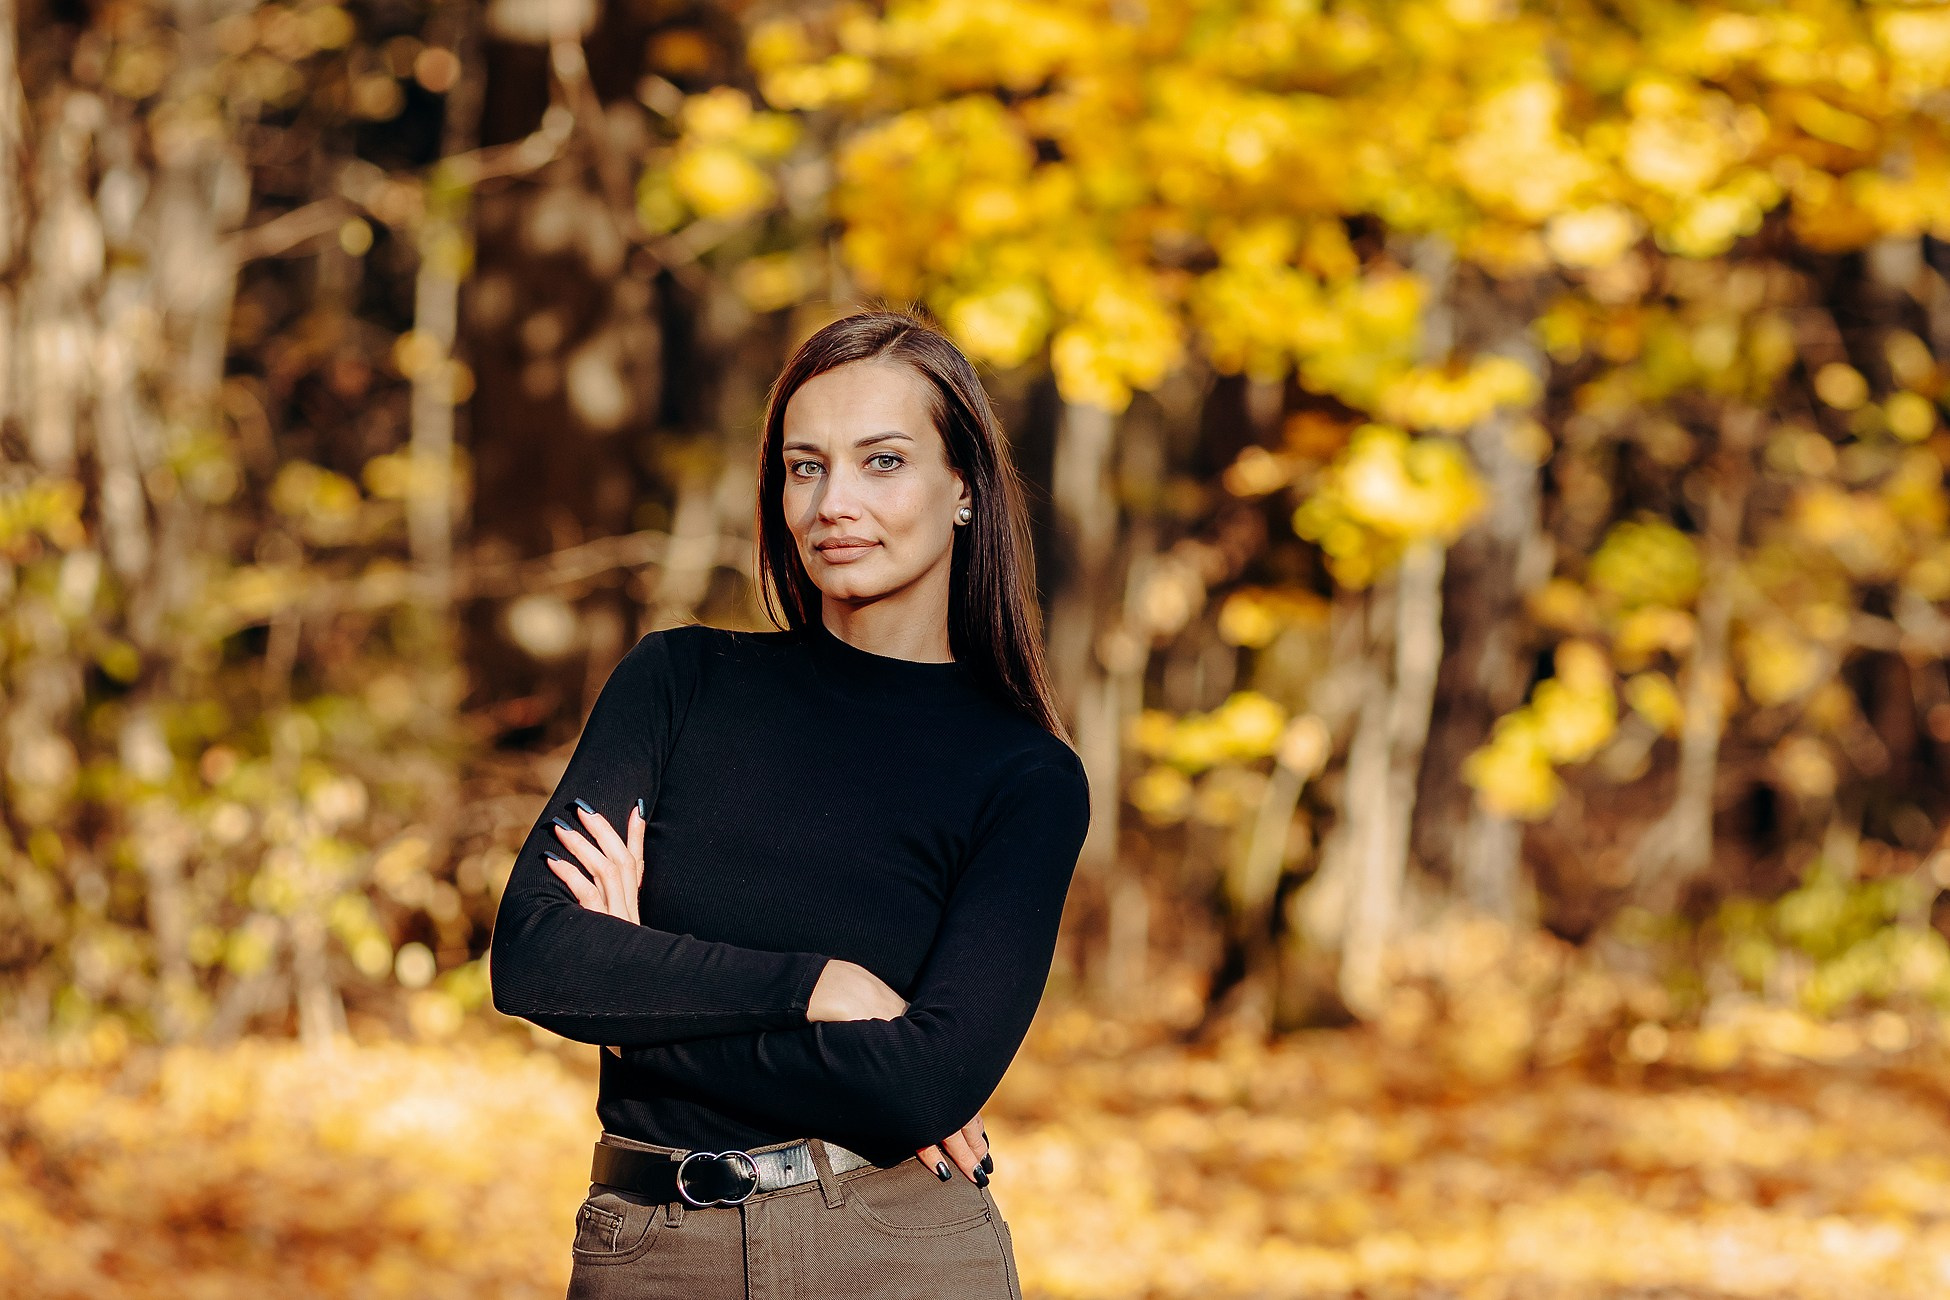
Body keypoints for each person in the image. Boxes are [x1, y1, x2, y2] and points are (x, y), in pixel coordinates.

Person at [488, 308, 1092, 1299]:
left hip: (896, 1250)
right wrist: (815, 985)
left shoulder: (1023, 774)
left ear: (965, 491)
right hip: (652, 1252)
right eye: (805, 466)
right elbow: (534, 956)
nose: (833, 501)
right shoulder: (678, 681)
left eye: (883, 461)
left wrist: (643, 1009)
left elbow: (925, 1084)